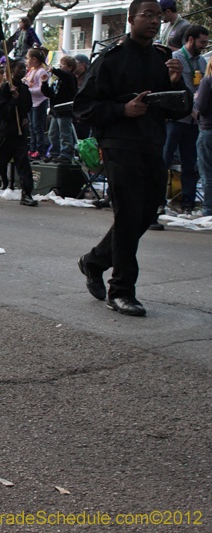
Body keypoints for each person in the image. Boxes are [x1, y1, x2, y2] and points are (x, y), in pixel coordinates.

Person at [73, 0, 192, 317]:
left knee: (146, 213)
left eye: (158, 16)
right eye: (147, 15)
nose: (154, 21)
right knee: (127, 214)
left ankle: (95, 260)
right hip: (119, 144)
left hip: (153, 143)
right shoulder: (110, 59)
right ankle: (122, 290)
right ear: (131, 19)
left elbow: (180, 108)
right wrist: (122, 110)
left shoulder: (163, 59)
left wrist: (177, 84)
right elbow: (83, 106)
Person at [0, 58, 40, 207]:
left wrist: (24, 117)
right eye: (20, 68)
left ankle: (26, 193)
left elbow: (26, 107)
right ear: (11, 71)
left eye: (24, 68)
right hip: (7, 131)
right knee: (0, 162)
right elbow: (2, 112)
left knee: (23, 163)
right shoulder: (5, 89)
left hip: (20, 132)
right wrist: (13, 100)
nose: (23, 71)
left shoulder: (24, 89)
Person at [162, 24, 208, 215]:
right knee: (164, 159)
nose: (204, 46)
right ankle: (158, 200)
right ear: (190, 39)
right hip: (176, 118)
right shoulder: (175, 59)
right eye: (202, 42)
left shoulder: (202, 63)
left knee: (190, 163)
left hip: (194, 120)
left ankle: (187, 202)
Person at [41, 55, 78, 162]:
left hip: (65, 110)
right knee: (53, 133)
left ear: (70, 68)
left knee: (64, 133)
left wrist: (54, 70)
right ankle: (54, 153)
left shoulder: (70, 78)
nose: (60, 66)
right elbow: (49, 94)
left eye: (63, 65)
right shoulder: (57, 81)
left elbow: (65, 75)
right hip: (56, 111)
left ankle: (66, 153)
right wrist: (44, 83)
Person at [24, 48, 49, 159]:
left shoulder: (42, 71)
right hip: (32, 103)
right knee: (31, 127)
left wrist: (28, 90)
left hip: (39, 103)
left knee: (37, 127)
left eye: (28, 58)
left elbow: (41, 90)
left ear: (34, 59)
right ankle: (32, 148)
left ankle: (40, 150)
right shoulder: (32, 71)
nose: (26, 60)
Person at [195, 58, 212, 217]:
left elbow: (200, 106)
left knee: (207, 173)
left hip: (208, 128)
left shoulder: (207, 81)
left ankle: (208, 209)